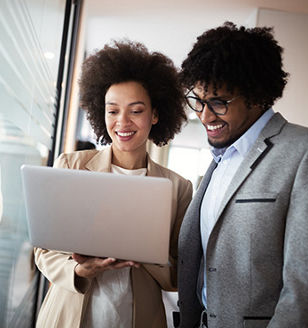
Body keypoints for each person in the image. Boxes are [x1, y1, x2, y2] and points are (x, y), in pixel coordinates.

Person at [177, 21, 308, 328]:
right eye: (197, 100)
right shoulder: (218, 160)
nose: (205, 116)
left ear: (257, 95)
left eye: (218, 102)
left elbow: (307, 289)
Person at [34, 40, 193, 328]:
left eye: (136, 110)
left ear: (155, 114)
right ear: (101, 112)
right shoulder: (72, 166)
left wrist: (142, 249)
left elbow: (177, 277)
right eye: (112, 110)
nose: (123, 121)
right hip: (70, 317)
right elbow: (44, 252)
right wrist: (81, 270)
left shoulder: (178, 187)